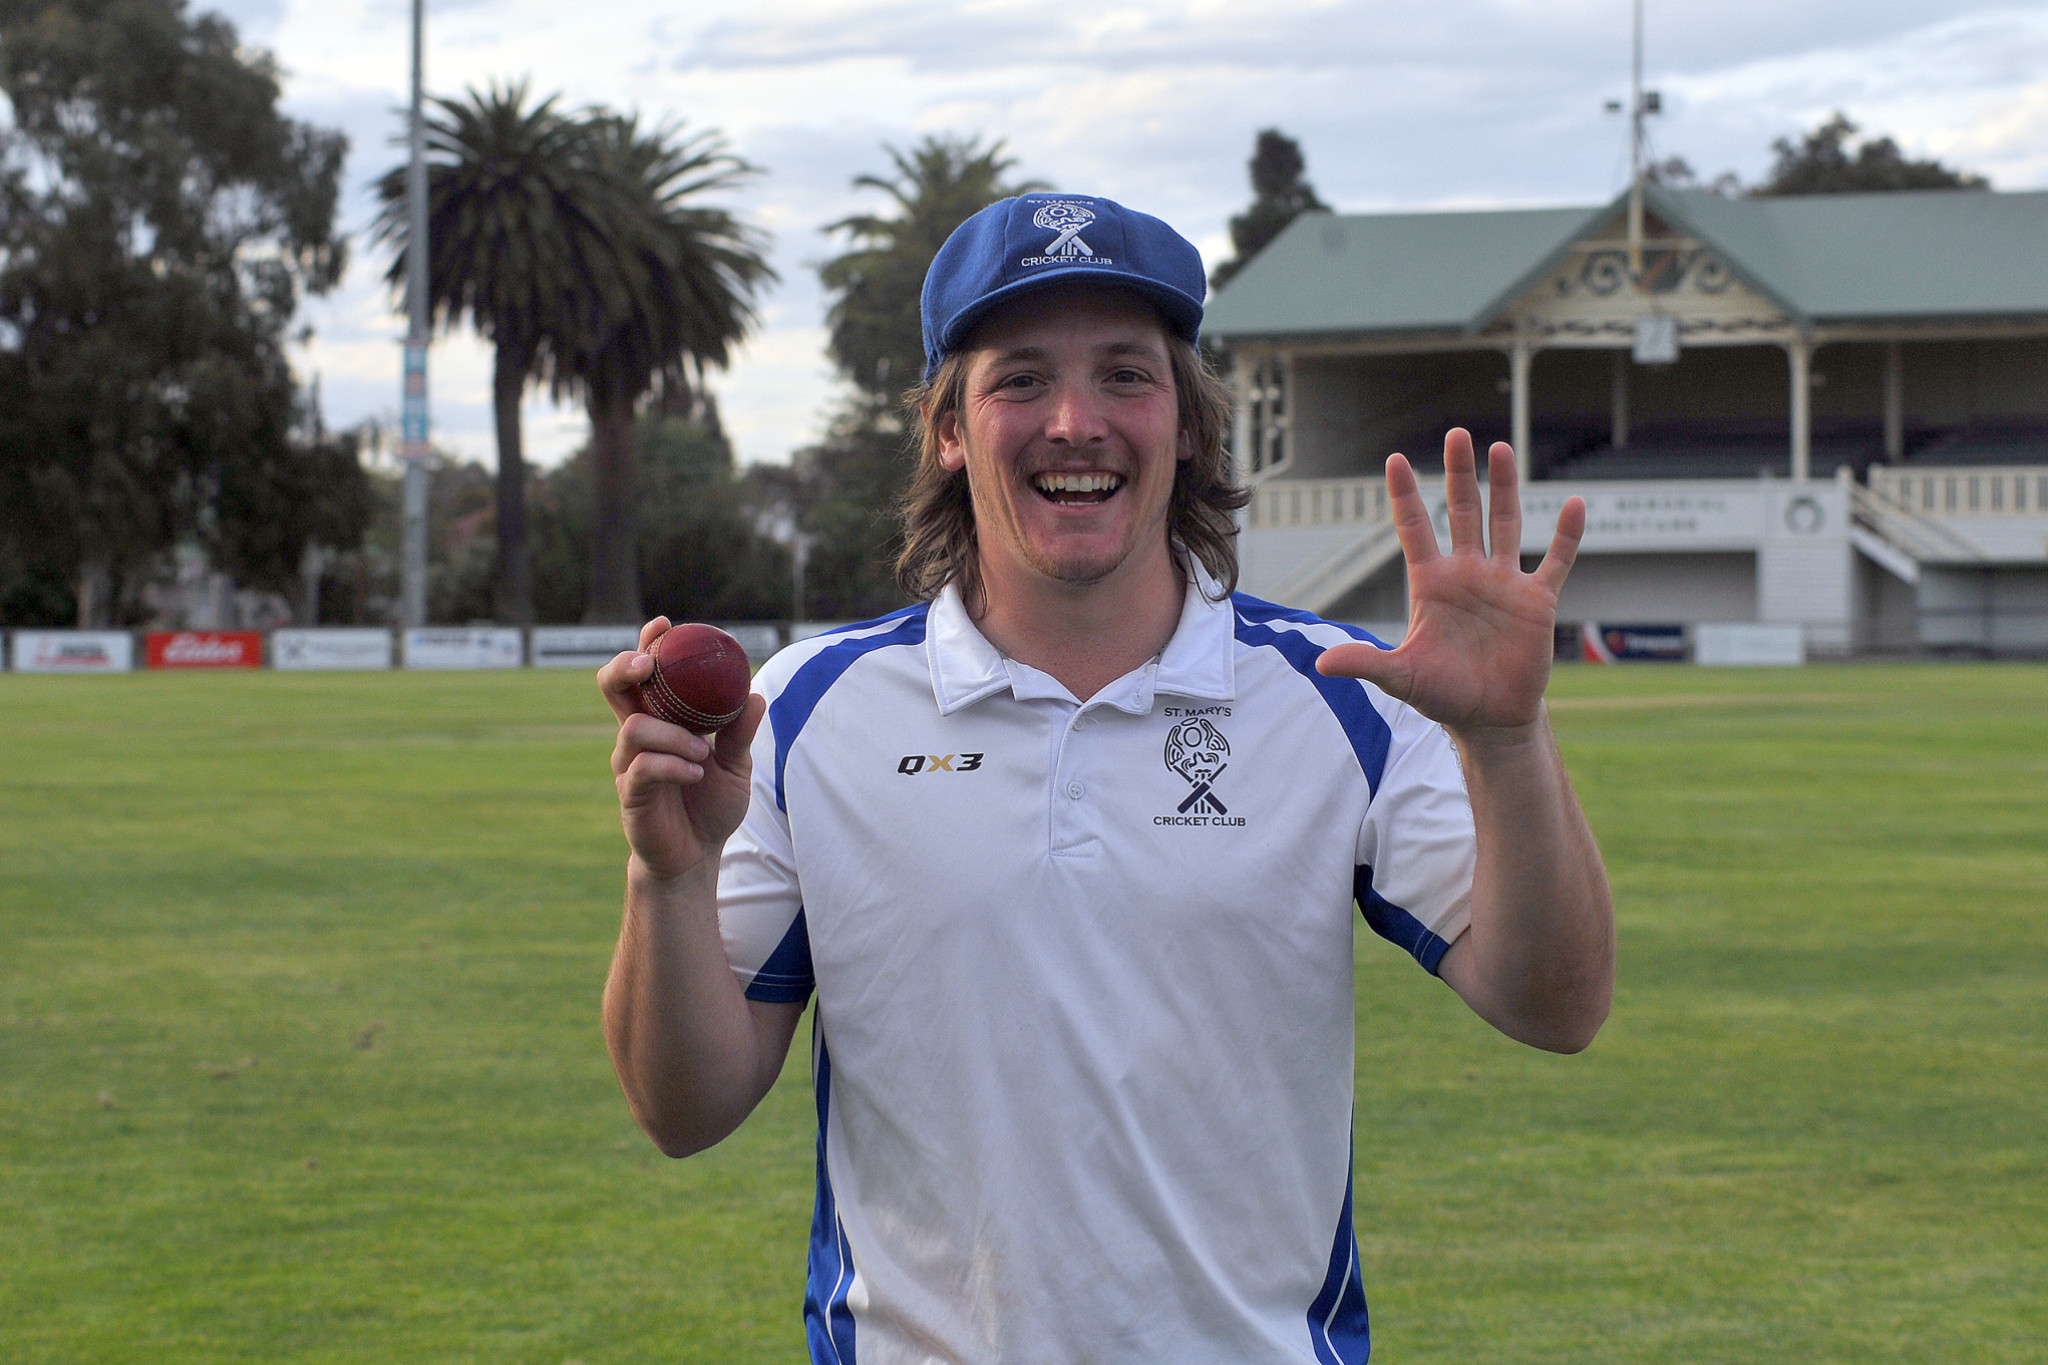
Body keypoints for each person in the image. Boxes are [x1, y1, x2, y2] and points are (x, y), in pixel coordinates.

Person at [597, 193, 1613, 1364]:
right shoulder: (806, 707)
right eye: (1019, 379)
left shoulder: (1335, 691)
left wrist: (1506, 744)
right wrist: (666, 881)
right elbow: (681, 1111)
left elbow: (1555, 1005)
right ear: (947, 429)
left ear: (1185, 423)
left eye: (1125, 375)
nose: (1074, 422)